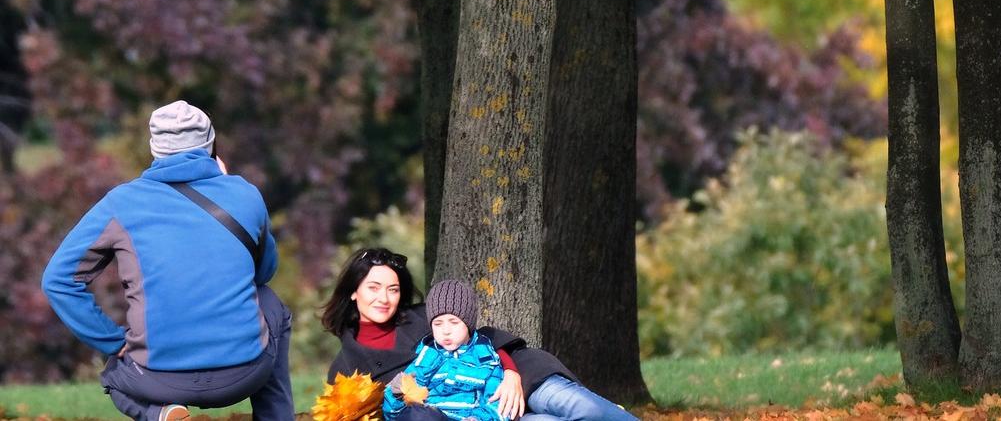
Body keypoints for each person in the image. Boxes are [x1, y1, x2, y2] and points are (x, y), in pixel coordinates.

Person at [41, 100, 293, 421]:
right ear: (211, 145)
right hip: (244, 374)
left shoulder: (121, 202)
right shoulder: (245, 193)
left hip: (156, 379)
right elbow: (265, 272)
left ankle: (160, 414)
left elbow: (58, 280)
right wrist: (230, 186)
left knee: (116, 377)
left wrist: (112, 341)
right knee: (272, 305)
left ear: (154, 148)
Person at [322, 247, 635, 421]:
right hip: (478, 412)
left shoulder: (421, 316)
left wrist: (511, 375)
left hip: (517, 375)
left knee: (585, 409)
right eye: (373, 288)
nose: (384, 298)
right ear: (353, 293)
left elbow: (485, 336)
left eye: (393, 289)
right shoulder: (346, 366)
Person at [382, 279, 503, 421]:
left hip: (465, 418)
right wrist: (395, 395)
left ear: (468, 323)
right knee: (418, 415)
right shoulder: (426, 358)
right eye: (438, 324)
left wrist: (478, 419)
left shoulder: (486, 359)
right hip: (429, 416)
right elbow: (392, 414)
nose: (446, 331)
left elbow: (497, 403)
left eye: (454, 322)